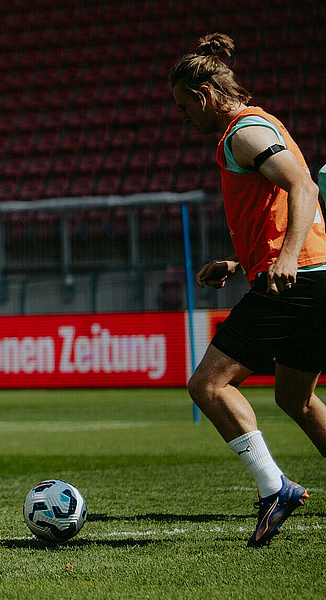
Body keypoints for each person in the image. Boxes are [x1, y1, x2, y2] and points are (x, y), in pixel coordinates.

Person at [172, 33, 326, 547]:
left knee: (208, 385)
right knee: (295, 398)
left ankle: (274, 488)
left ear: (204, 95)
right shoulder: (252, 129)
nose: (184, 118)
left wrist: (284, 259)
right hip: (314, 276)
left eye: (184, 107)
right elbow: (280, 208)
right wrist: (247, 260)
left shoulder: (244, 132)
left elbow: (303, 186)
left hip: (300, 280)